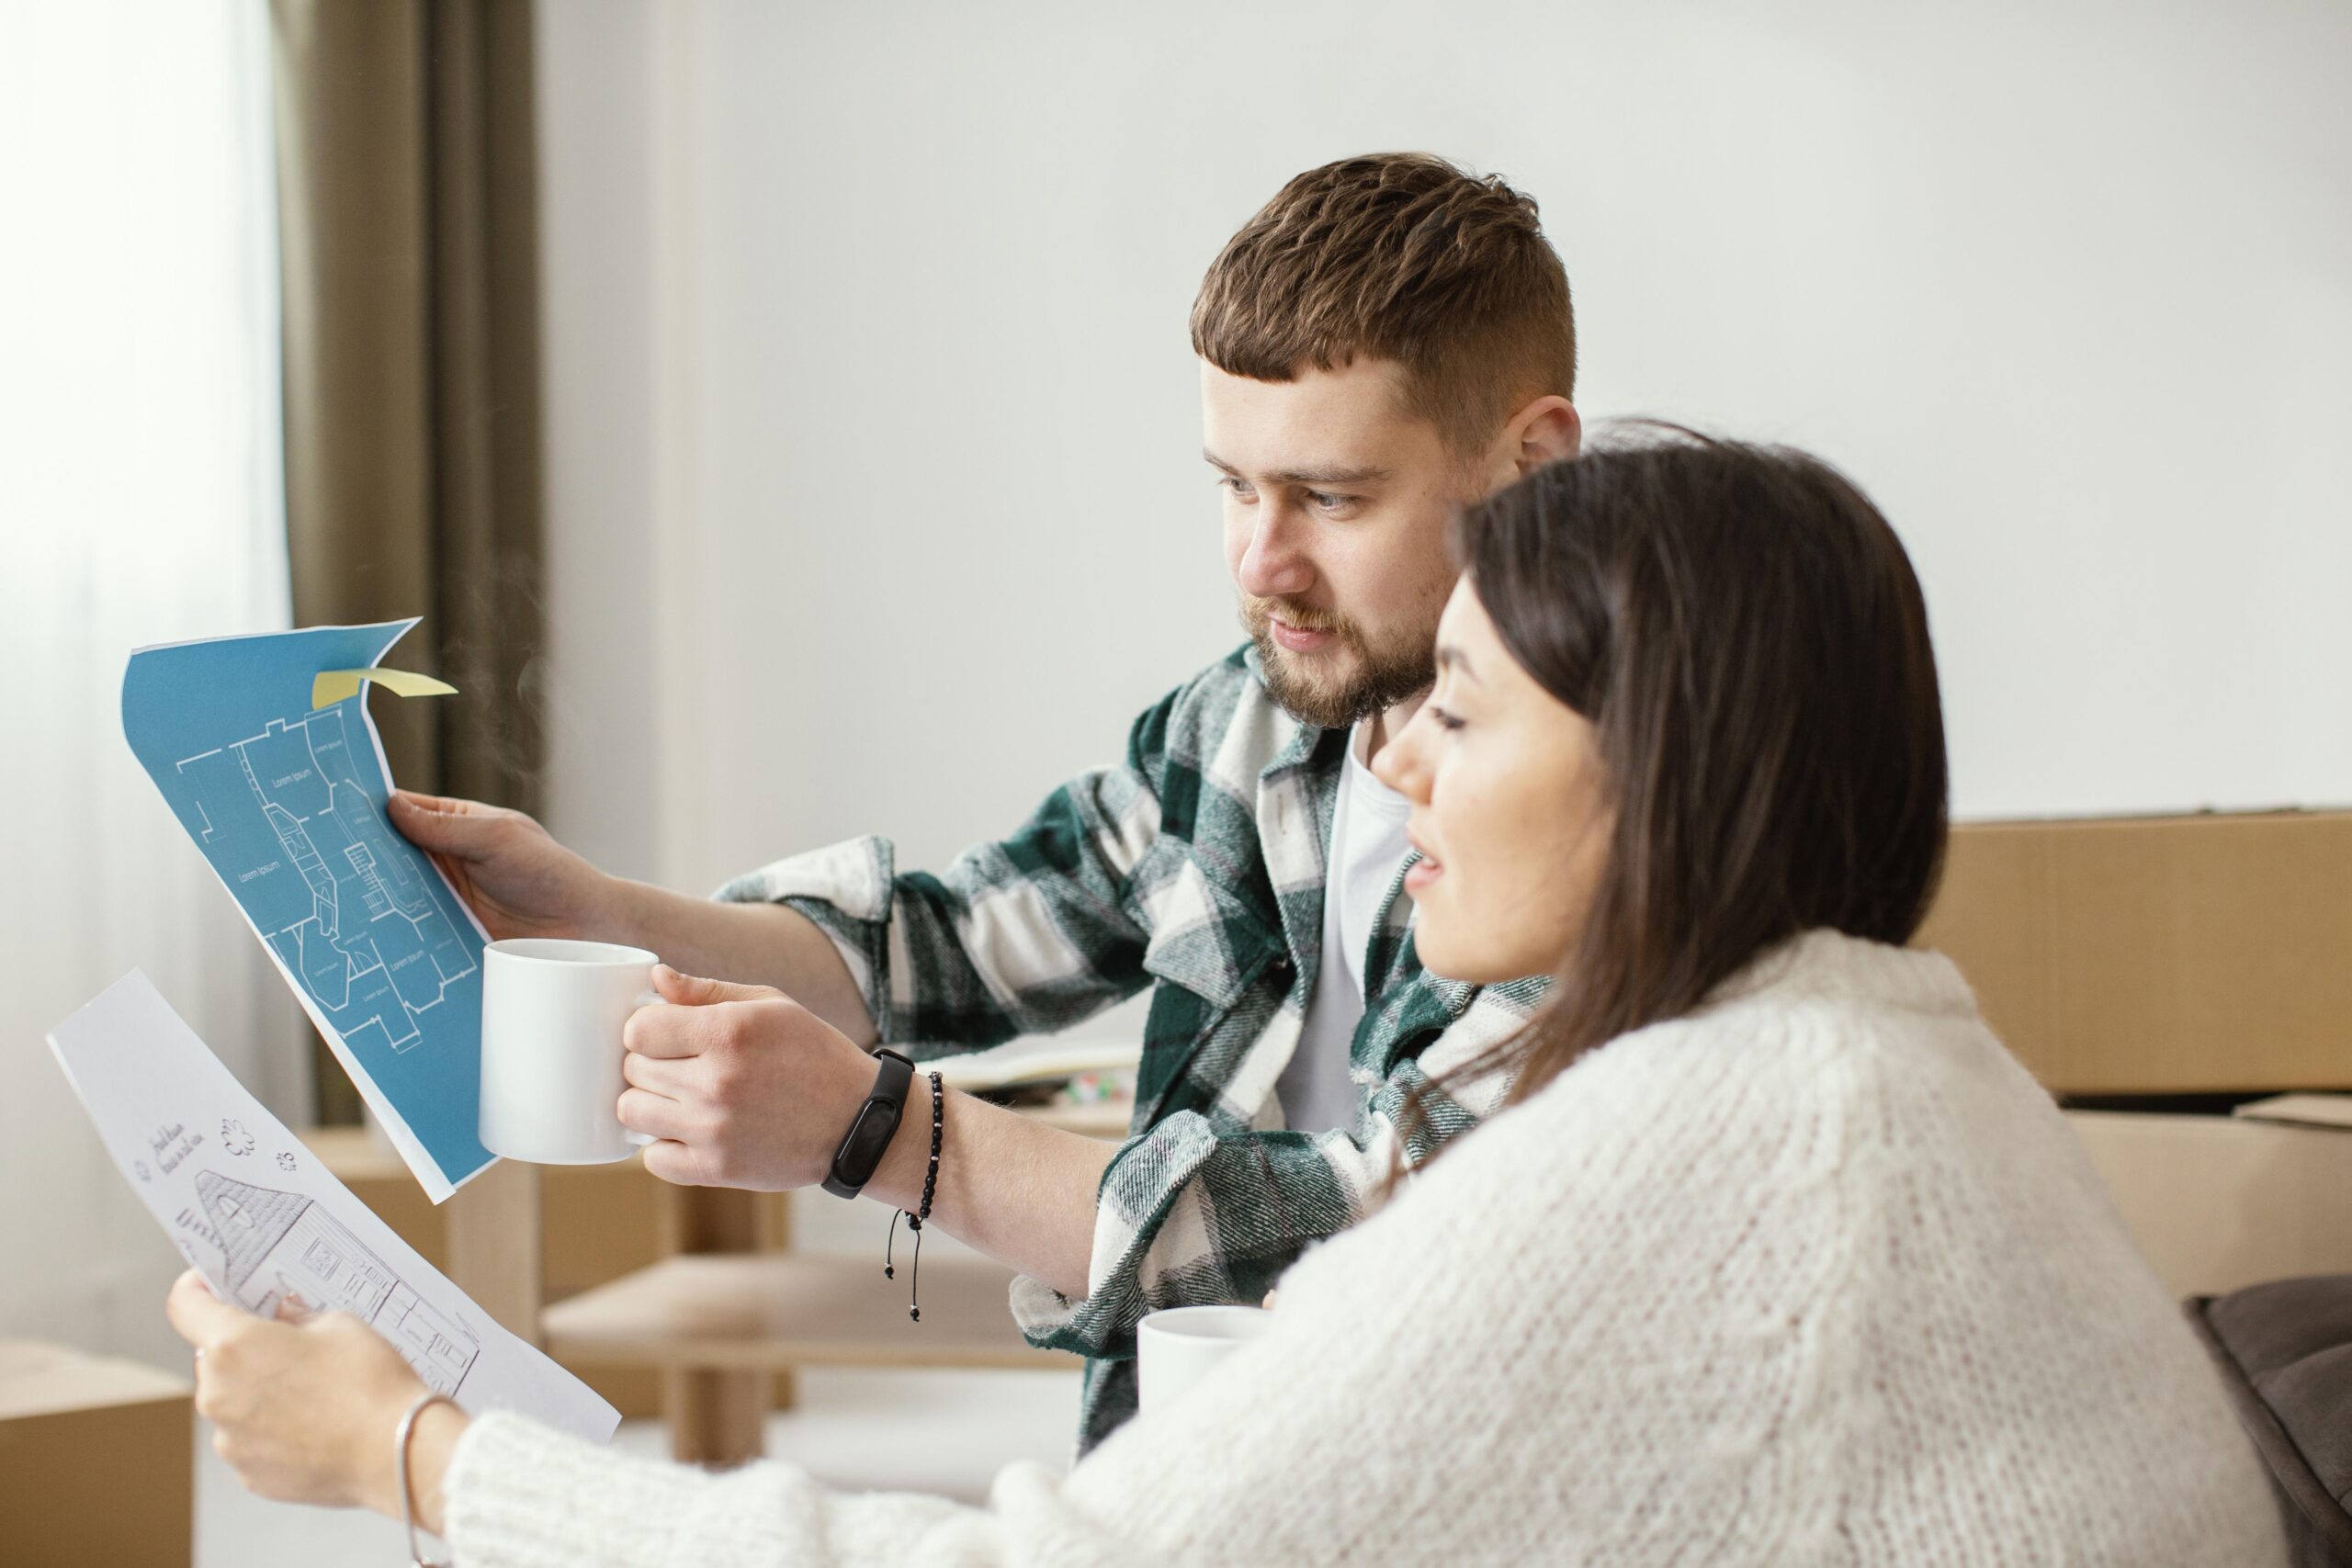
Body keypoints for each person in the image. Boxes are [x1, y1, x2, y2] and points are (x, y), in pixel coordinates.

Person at [170, 430, 2289, 1565]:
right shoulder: (1869, 1044)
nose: (1392, 754)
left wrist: (421, 1457)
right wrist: (607, 900)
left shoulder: (1697, 1138)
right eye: (1227, 485)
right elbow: (976, 918)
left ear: (1654, 760)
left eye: (1455, 704)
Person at [382, 151, 1582, 1447]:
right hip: (1189, 1468)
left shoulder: (1634, 807)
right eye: (1233, 486)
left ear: (1532, 463)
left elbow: (1390, 1216)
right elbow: (955, 940)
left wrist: (880, 1129)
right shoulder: (1245, 722)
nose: (1258, 558)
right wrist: (607, 915)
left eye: (1330, 498)